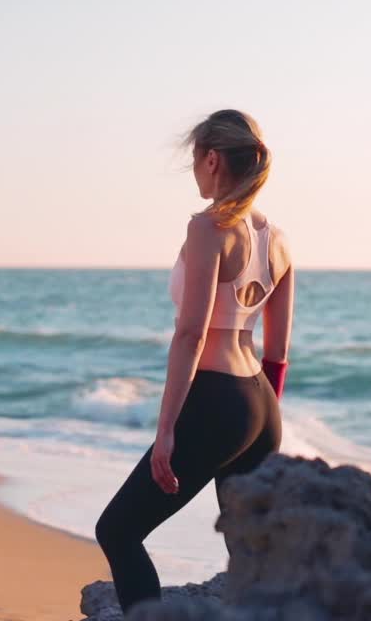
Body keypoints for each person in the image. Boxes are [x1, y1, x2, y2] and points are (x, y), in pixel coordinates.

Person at [94, 109, 295, 613]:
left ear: (210, 158)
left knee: (117, 531)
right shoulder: (279, 239)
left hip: (216, 399)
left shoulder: (208, 229)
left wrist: (166, 431)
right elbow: (278, 351)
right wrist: (265, 428)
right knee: (248, 557)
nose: (195, 172)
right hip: (260, 404)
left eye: (194, 160)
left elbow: (189, 334)